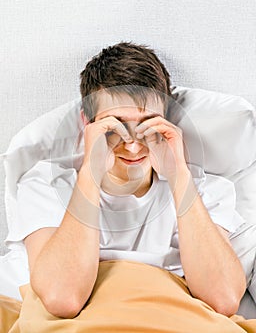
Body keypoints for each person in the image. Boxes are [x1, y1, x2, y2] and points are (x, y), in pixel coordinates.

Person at [1, 42, 256, 332]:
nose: (133, 145)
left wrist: (178, 176)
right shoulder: (46, 183)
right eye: (115, 128)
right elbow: (62, 298)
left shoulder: (206, 190)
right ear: (87, 123)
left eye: (148, 126)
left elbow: (223, 300)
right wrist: (91, 173)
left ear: (168, 122)